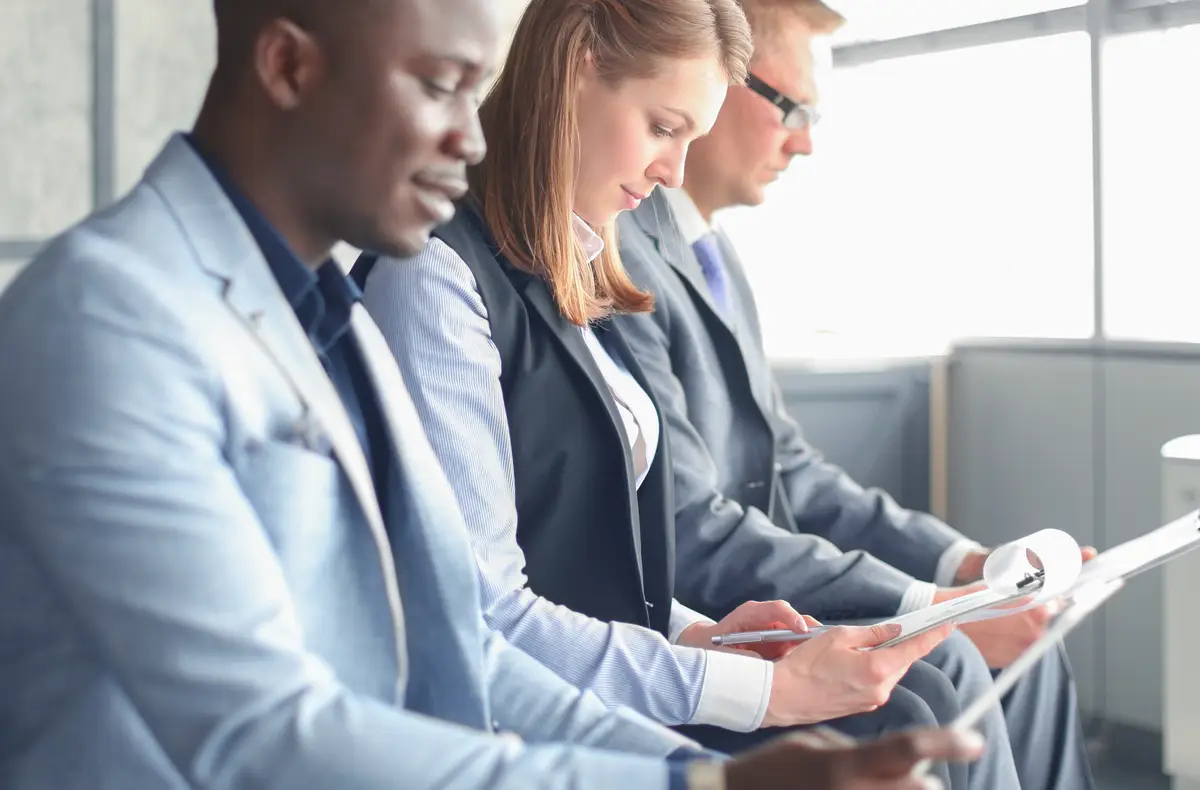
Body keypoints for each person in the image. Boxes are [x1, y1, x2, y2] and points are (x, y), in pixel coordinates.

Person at [0, 1, 986, 789]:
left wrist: (694, 766)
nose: (472, 139)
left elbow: (460, 632)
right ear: (290, 68)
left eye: (478, 93)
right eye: (439, 87)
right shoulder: (112, 315)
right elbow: (259, 735)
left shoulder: (328, 313)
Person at [353, 3, 1009, 789]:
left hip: (624, 668)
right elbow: (487, 618)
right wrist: (757, 689)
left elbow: (591, 558)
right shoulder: (434, 271)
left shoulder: (573, 263)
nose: (672, 171)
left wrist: (705, 637)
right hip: (544, 720)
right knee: (906, 713)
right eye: (664, 127)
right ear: (577, 68)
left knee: (924, 691)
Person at [614, 1, 1097, 788]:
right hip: (717, 610)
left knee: (1030, 639)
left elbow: (794, 469)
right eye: (792, 108)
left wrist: (969, 567)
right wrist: (944, 606)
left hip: (779, 583)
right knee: (952, 673)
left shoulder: (712, 253)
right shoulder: (616, 250)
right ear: (721, 74)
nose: (803, 141)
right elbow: (687, 523)